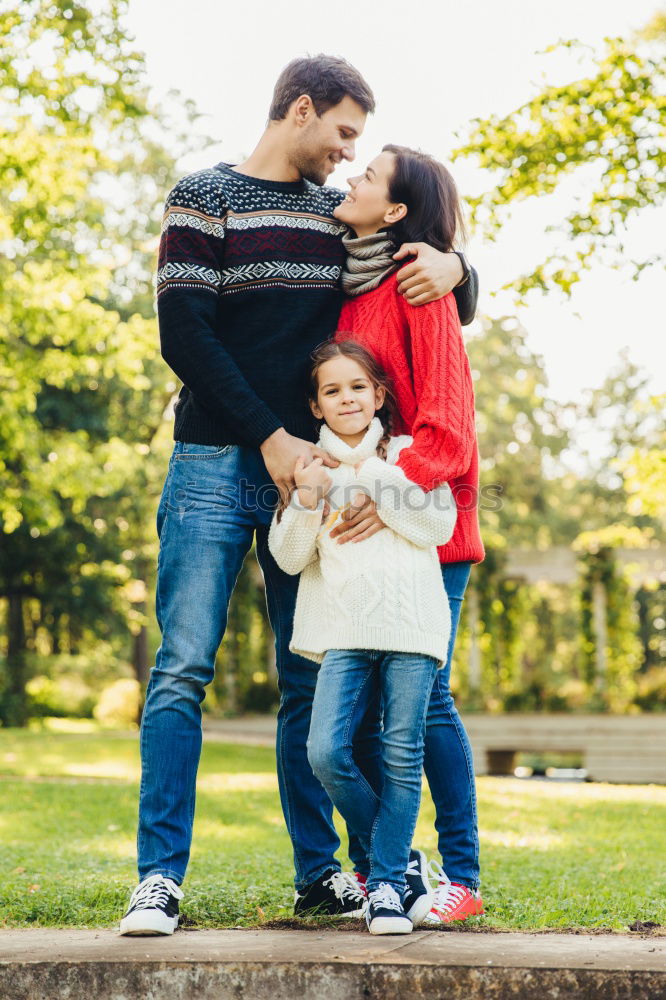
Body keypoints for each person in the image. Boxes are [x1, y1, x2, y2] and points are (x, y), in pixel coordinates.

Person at [119, 55, 478, 936]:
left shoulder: (335, 217)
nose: (348, 153)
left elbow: (430, 280)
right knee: (182, 669)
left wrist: (458, 261)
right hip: (216, 462)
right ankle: (159, 878)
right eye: (344, 132)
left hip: (313, 482)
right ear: (303, 110)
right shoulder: (204, 196)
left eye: (361, 144)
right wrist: (272, 438)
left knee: (307, 677)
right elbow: (184, 332)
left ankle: (328, 874)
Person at [330, 145, 485, 923]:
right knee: (356, 720)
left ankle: (462, 876)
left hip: (431, 530)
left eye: (367, 177)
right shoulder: (353, 290)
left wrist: (377, 492)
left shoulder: (419, 286)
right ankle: (387, 870)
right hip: (368, 535)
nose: (349, 178)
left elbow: (448, 432)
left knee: (427, 704)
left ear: (394, 212)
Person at [268, 341, 456, 934]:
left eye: (357, 387)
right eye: (332, 390)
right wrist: (305, 498)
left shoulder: (407, 455)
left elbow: (437, 523)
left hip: (412, 625)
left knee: (402, 758)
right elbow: (291, 559)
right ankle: (399, 865)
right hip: (345, 632)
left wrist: (371, 473)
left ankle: (383, 890)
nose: (346, 397)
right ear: (316, 406)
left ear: (378, 395)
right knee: (325, 751)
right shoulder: (310, 472)